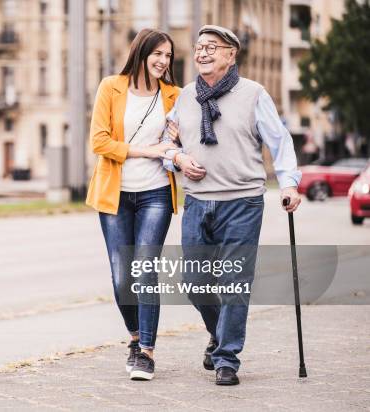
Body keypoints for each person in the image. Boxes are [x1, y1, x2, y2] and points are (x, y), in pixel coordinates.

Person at [163, 25, 302, 386]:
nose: (202, 52)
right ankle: (218, 334)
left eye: (212, 47)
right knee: (194, 282)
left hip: (242, 202)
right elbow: (166, 142)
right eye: (198, 47)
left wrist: (288, 184)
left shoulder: (253, 94)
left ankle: (227, 359)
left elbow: (280, 141)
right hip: (197, 201)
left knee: (234, 283)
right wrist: (178, 159)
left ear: (230, 54)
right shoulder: (186, 96)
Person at [85, 28, 180, 381]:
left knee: (145, 270)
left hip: (156, 192)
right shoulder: (111, 87)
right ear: (141, 53)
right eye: (157, 53)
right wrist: (146, 150)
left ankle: (147, 352)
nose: (163, 61)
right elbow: (99, 142)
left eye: (168, 56)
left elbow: (183, 143)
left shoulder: (174, 95)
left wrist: (176, 142)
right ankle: (135, 338)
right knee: (121, 274)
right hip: (115, 194)